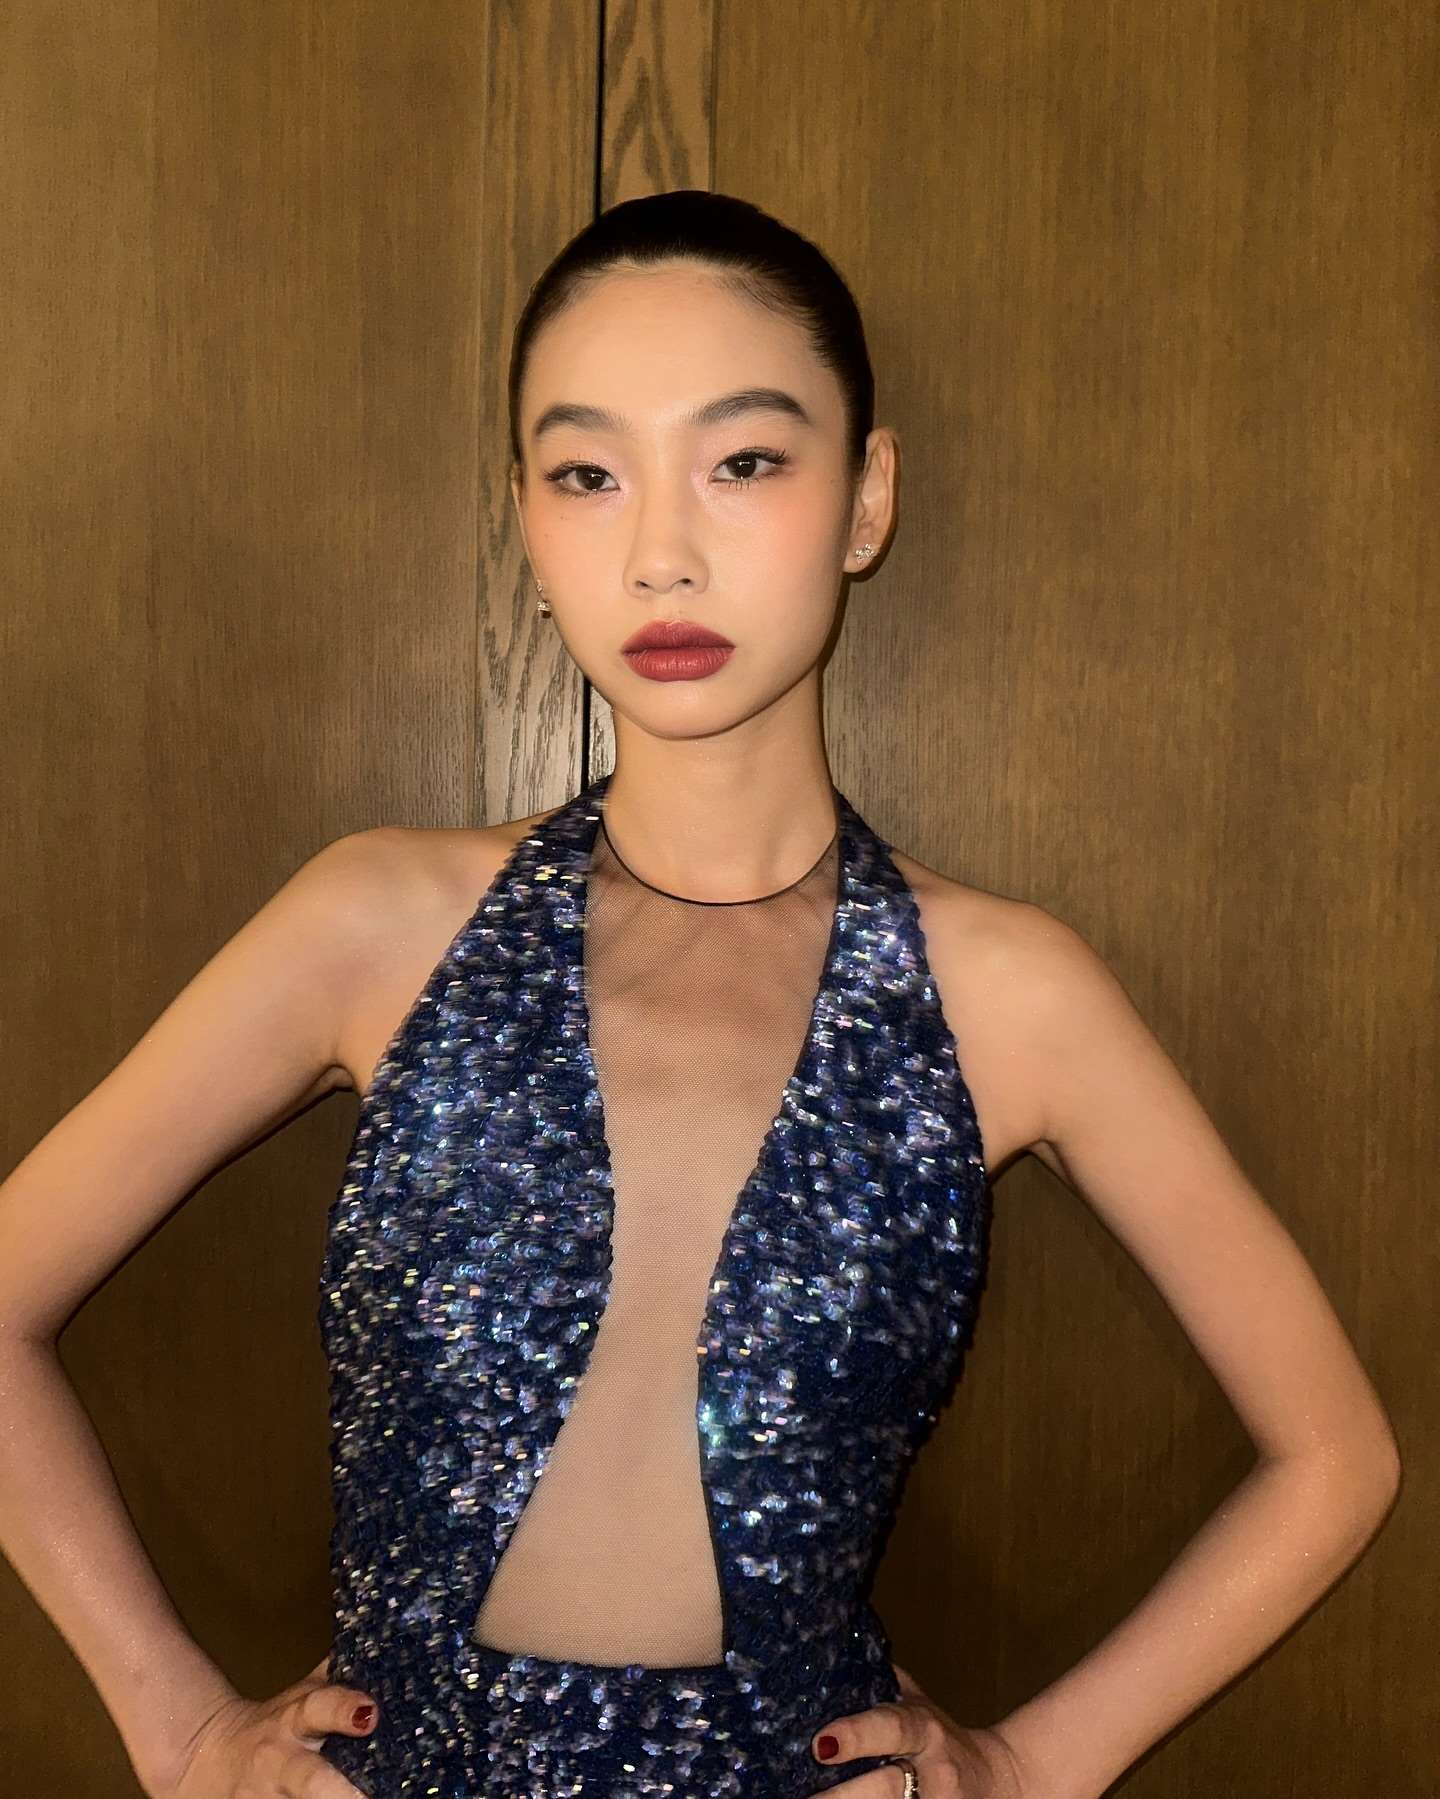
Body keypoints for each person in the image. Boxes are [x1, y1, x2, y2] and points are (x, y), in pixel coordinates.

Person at [0, 189, 1401, 1799]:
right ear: (526, 524)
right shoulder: (374, 924)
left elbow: (1335, 1457)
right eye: (587, 475)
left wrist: (1030, 1767)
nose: (660, 550)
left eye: (744, 461)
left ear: (866, 498)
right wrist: (180, 1730)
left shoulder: (1006, 992)